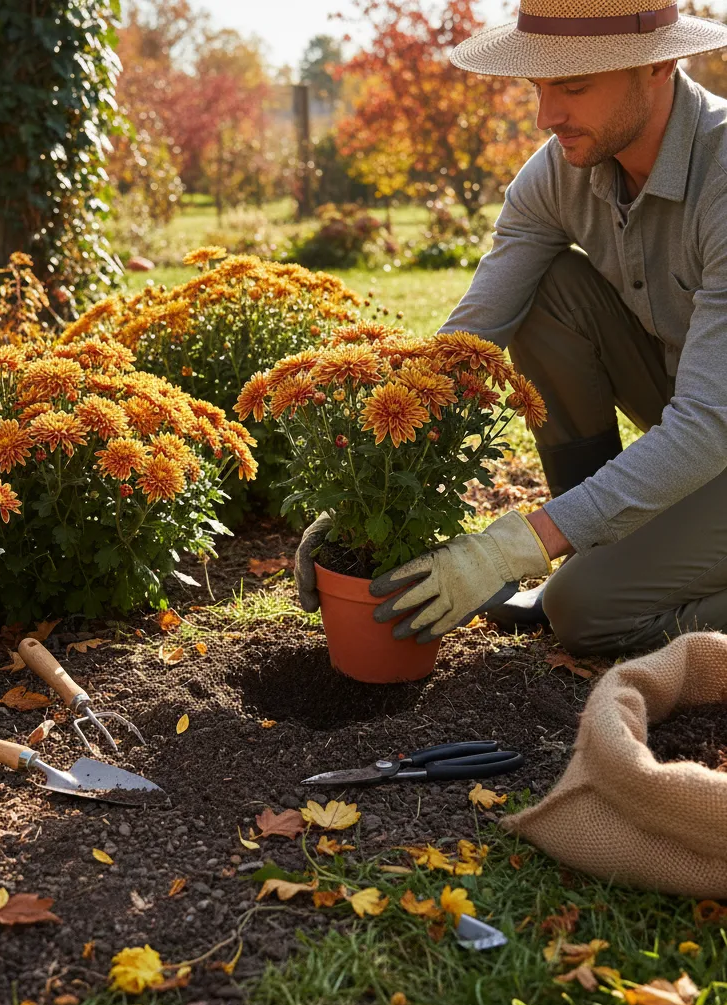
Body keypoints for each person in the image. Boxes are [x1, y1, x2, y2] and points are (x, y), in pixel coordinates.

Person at [295, 0, 727, 657]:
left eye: (574, 87)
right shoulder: (560, 173)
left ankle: (599, 574)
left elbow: (708, 422)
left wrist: (519, 544)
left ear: (658, 64)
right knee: (546, 294)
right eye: (539, 87)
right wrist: (364, 485)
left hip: (713, 423)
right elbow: (468, 341)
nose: (546, 116)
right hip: (700, 419)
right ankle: (608, 545)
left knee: (584, 613)